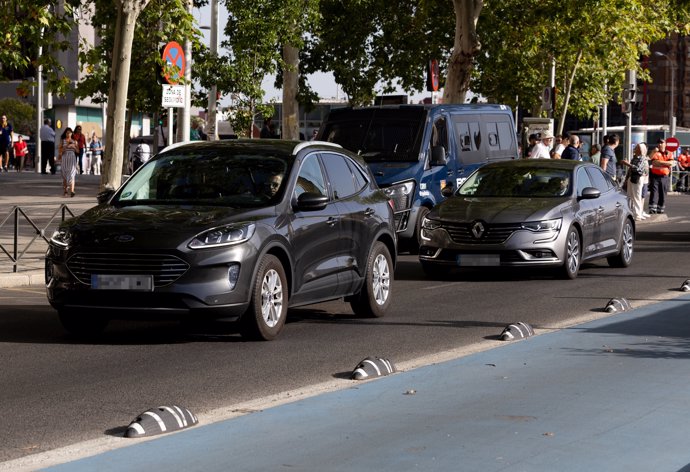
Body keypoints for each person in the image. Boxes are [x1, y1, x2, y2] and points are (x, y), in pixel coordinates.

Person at [621, 143, 648, 221]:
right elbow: (630, 170)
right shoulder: (635, 158)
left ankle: (638, 215)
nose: (635, 149)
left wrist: (628, 164)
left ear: (640, 150)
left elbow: (638, 169)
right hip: (631, 178)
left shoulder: (643, 158)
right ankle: (632, 212)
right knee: (630, 196)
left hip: (638, 178)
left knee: (636, 196)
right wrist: (626, 179)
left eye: (636, 148)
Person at [648, 138, 674, 214]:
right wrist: (666, 162)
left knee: (663, 193)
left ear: (665, 144)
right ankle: (652, 208)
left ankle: (660, 209)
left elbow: (671, 163)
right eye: (658, 143)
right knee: (654, 192)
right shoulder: (655, 152)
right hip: (654, 176)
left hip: (664, 176)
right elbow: (655, 163)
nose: (659, 144)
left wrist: (661, 162)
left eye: (661, 143)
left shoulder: (669, 153)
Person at [59, 127, 79, 197]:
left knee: (72, 174)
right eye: (67, 133)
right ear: (65, 133)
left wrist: (73, 147)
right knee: (65, 174)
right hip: (65, 158)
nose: (68, 134)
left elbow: (77, 151)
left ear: (71, 133)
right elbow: (60, 151)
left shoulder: (75, 141)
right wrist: (67, 146)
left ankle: (72, 191)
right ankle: (65, 191)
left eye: (70, 133)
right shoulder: (63, 141)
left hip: (72, 158)